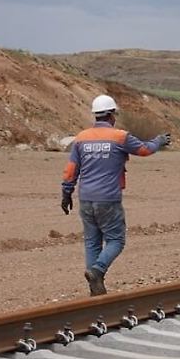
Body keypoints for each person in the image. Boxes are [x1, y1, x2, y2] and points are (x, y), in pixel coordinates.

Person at [61, 94, 171, 295]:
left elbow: (71, 169)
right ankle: (97, 270)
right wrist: (159, 141)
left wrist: (66, 193)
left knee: (92, 241)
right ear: (112, 115)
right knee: (116, 240)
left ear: (95, 115)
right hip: (108, 199)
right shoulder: (120, 136)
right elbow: (145, 150)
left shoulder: (81, 138)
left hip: (85, 198)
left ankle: (95, 288)